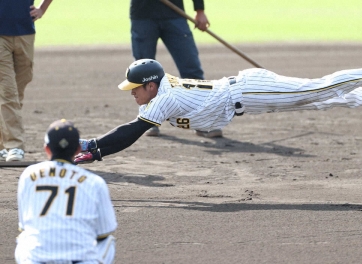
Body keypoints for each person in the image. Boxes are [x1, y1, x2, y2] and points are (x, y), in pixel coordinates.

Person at [73, 53, 362, 164]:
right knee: (320, 98)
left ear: (150, 85)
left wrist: (95, 149)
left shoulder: (163, 98)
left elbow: (131, 132)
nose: (131, 93)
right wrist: (96, 146)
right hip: (246, 95)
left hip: (250, 92)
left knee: (319, 87)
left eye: (135, 88)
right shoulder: (161, 86)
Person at [15, 119, 117, 263]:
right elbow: (104, 232)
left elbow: (24, 225)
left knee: (24, 236)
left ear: (47, 148)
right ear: (77, 150)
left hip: (37, 260)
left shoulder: (29, 175)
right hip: (80, 260)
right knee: (108, 241)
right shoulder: (94, 182)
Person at [129, 0, 223, 138]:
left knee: (191, 69)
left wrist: (199, 10)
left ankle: (202, 121)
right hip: (143, 15)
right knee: (143, 72)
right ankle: (148, 120)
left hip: (175, 15)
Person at [0, 0, 53, 162]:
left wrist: (42, 9)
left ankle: (2, 143)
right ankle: (14, 146)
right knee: (8, 92)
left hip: (25, 32)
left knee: (16, 91)